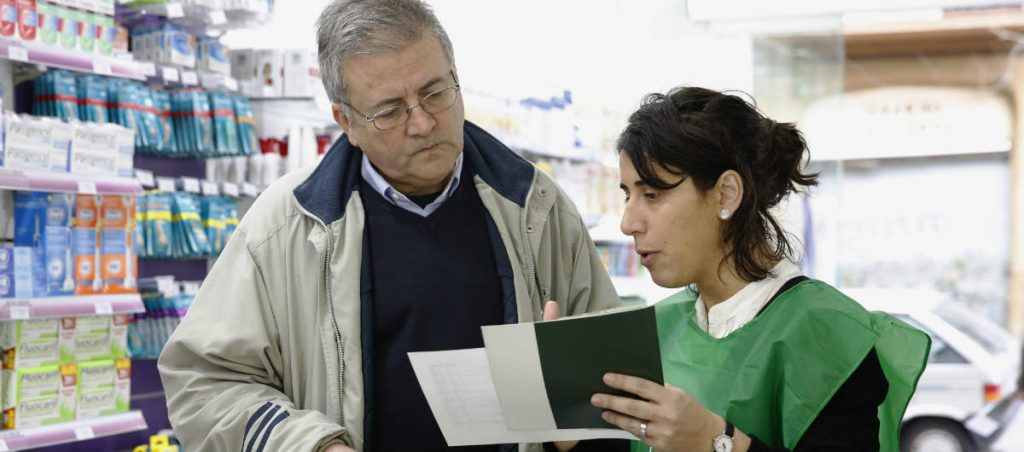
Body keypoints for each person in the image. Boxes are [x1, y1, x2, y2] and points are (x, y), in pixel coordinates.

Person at [157, 1, 622, 451]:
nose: (422, 122)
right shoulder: (284, 227)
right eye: (390, 110)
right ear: (346, 122)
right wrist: (310, 446)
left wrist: (575, 419)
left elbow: (615, 379)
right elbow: (204, 382)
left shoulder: (536, 209)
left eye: (435, 93)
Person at [580, 87, 931, 452]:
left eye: (652, 194)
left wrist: (715, 441)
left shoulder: (827, 334)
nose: (628, 222)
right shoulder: (659, 328)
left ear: (727, 193)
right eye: (627, 195)